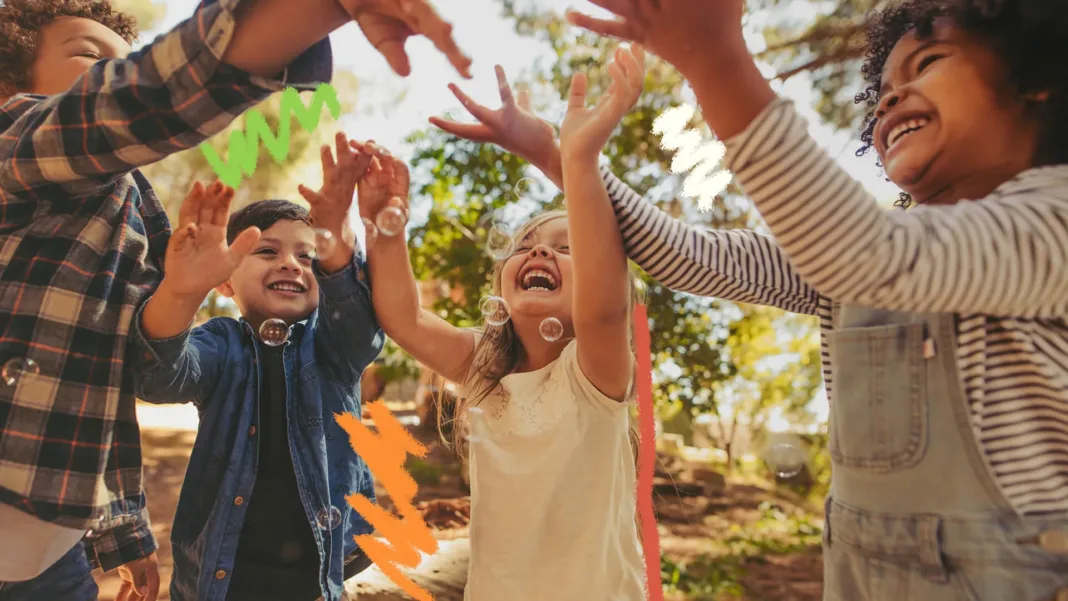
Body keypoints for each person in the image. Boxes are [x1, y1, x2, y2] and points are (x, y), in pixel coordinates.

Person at [446, 0, 1068, 599]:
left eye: (927, 62)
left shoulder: (1053, 222)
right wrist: (559, 155)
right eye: (881, 90)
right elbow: (685, 254)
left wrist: (717, 60)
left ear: (1034, 77)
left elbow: (871, 254)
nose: (891, 97)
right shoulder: (848, 257)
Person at [0, 0, 468, 598]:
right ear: (13, 79)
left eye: (125, 62)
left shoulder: (137, 209)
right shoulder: (19, 138)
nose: (114, 75)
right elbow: (160, 372)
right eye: (92, 58)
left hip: (54, 543)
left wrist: (124, 531)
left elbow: (104, 380)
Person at [355, 46, 650, 601]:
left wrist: (576, 158)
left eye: (568, 250)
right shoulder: (482, 365)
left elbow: (605, 303)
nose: (540, 255)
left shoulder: (596, 371)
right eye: (527, 248)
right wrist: (383, 226)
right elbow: (404, 317)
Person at [130, 133, 382, 601]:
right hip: (221, 580)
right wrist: (181, 293)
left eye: (308, 256)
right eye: (267, 251)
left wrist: (337, 244)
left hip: (313, 582)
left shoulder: (332, 345)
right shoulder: (221, 343)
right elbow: (159, 376)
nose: (291, 264)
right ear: (225, 280)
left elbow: (361, 326)